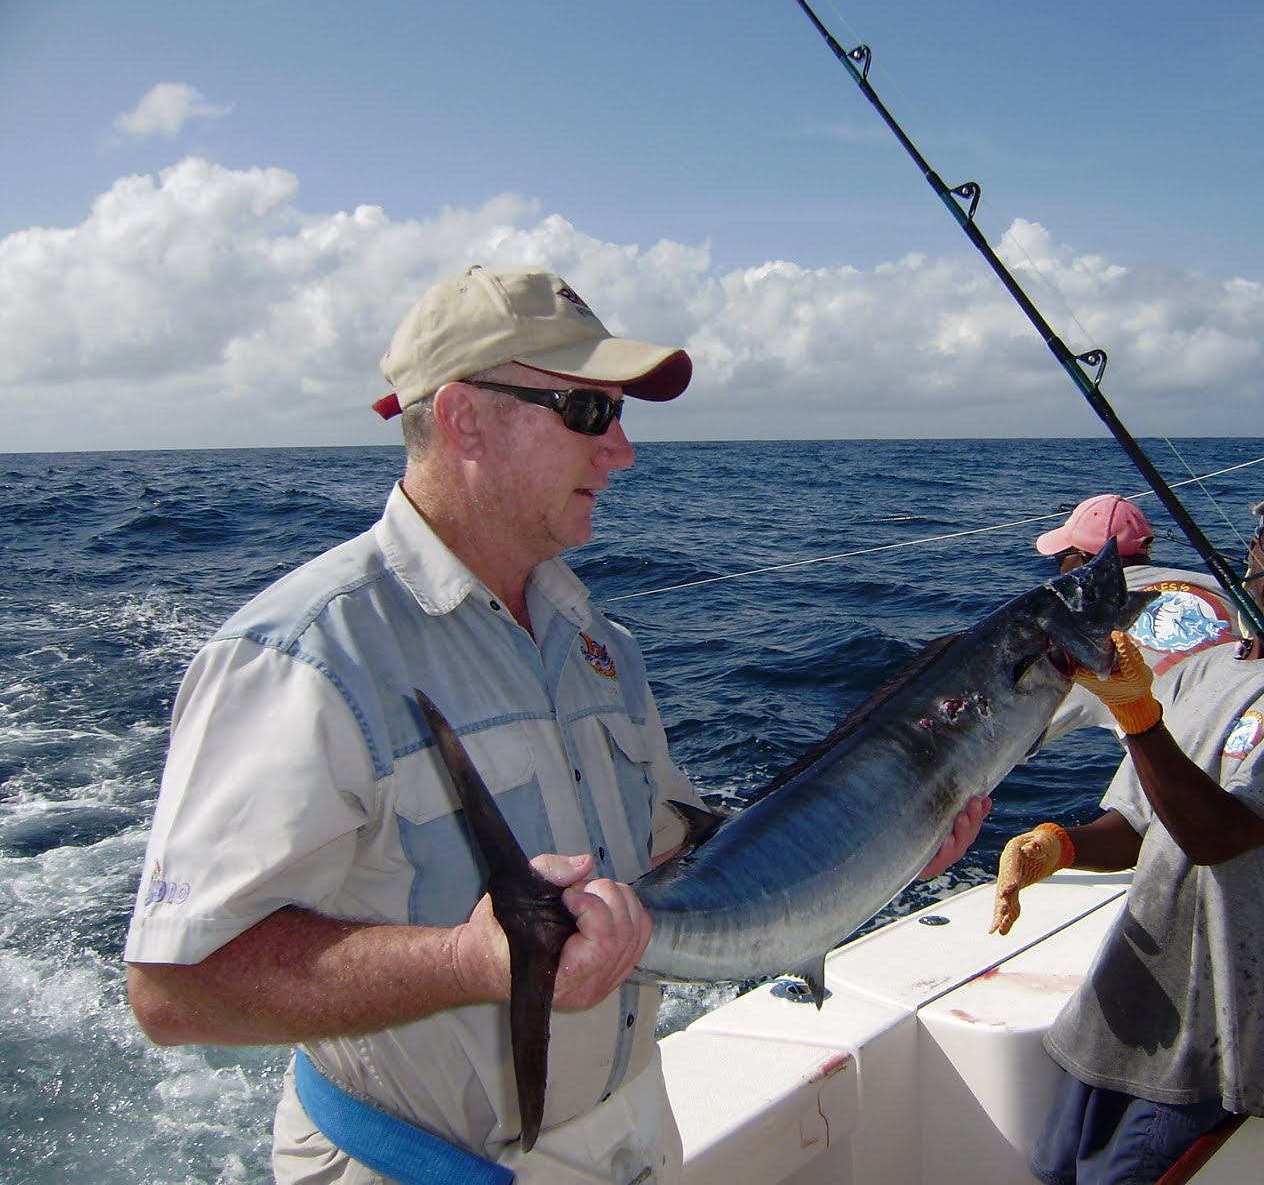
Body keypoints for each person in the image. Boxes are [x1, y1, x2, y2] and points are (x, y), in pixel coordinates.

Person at [122, 263, 987, 1185]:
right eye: (588, 412)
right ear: (463, 418)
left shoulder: (599, 642)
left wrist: (878, 850)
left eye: (619, 415)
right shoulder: (305, 657)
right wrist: (464, 963)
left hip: (635, 1143)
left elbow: (666, 862)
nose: (622, 450)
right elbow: (177, 990)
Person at [992, 470, 1264, 1185]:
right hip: (1122, 1005)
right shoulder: (1199, 670)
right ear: (1254, 548)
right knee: (1054, 1174)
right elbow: (1138, 823)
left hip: (1219, 1029)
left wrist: (1138, 716)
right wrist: (1057, 845)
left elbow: (1215, 836)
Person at [1034, 494, 1236, 747]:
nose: (1060, 568)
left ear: (1083, 559)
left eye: (1061, 557)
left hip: (1182, 759)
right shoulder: (1219, 588)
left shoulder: (1083, 637)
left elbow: (1007, 738)